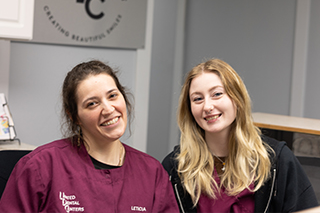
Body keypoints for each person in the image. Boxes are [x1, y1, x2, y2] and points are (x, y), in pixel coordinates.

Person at [0, 60, 179, 213]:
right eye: (92, 104)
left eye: (113, 96)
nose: (108, 109)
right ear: (74, 116)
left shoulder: (152, 172)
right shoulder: (40, 166)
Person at [162, 58, 318, 213]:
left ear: (236, 99)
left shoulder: (277, 160)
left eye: (217, 94)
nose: (207, 106)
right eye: (197, 99)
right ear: (189, 109)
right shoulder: (175, 168)